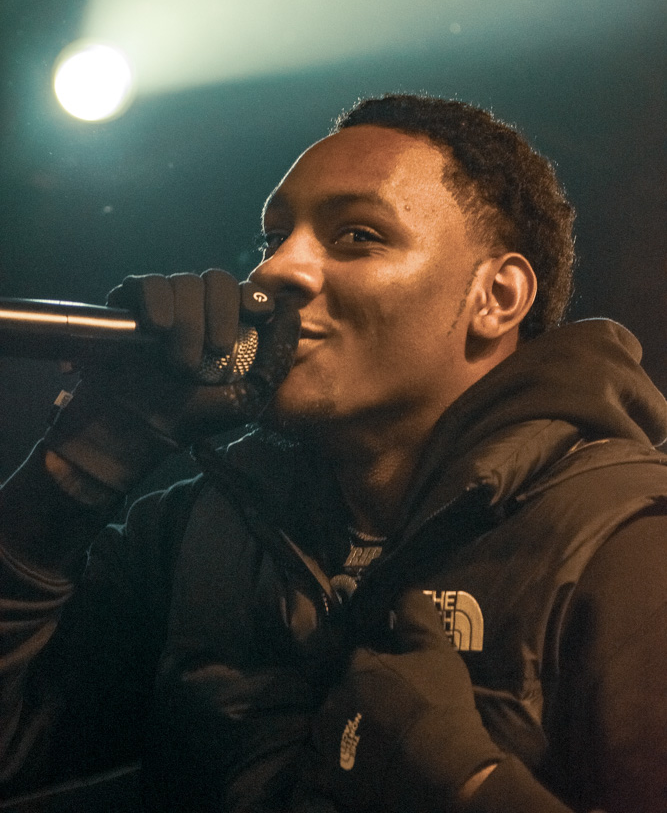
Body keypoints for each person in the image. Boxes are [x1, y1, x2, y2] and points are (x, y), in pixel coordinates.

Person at [0, 93, 666, 813]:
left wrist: (471, 789)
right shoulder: (202, 529)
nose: (278, 269)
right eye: (272, 239)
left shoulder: (626, 540)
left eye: (356, 236)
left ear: (496, 297)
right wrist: (80, 468)